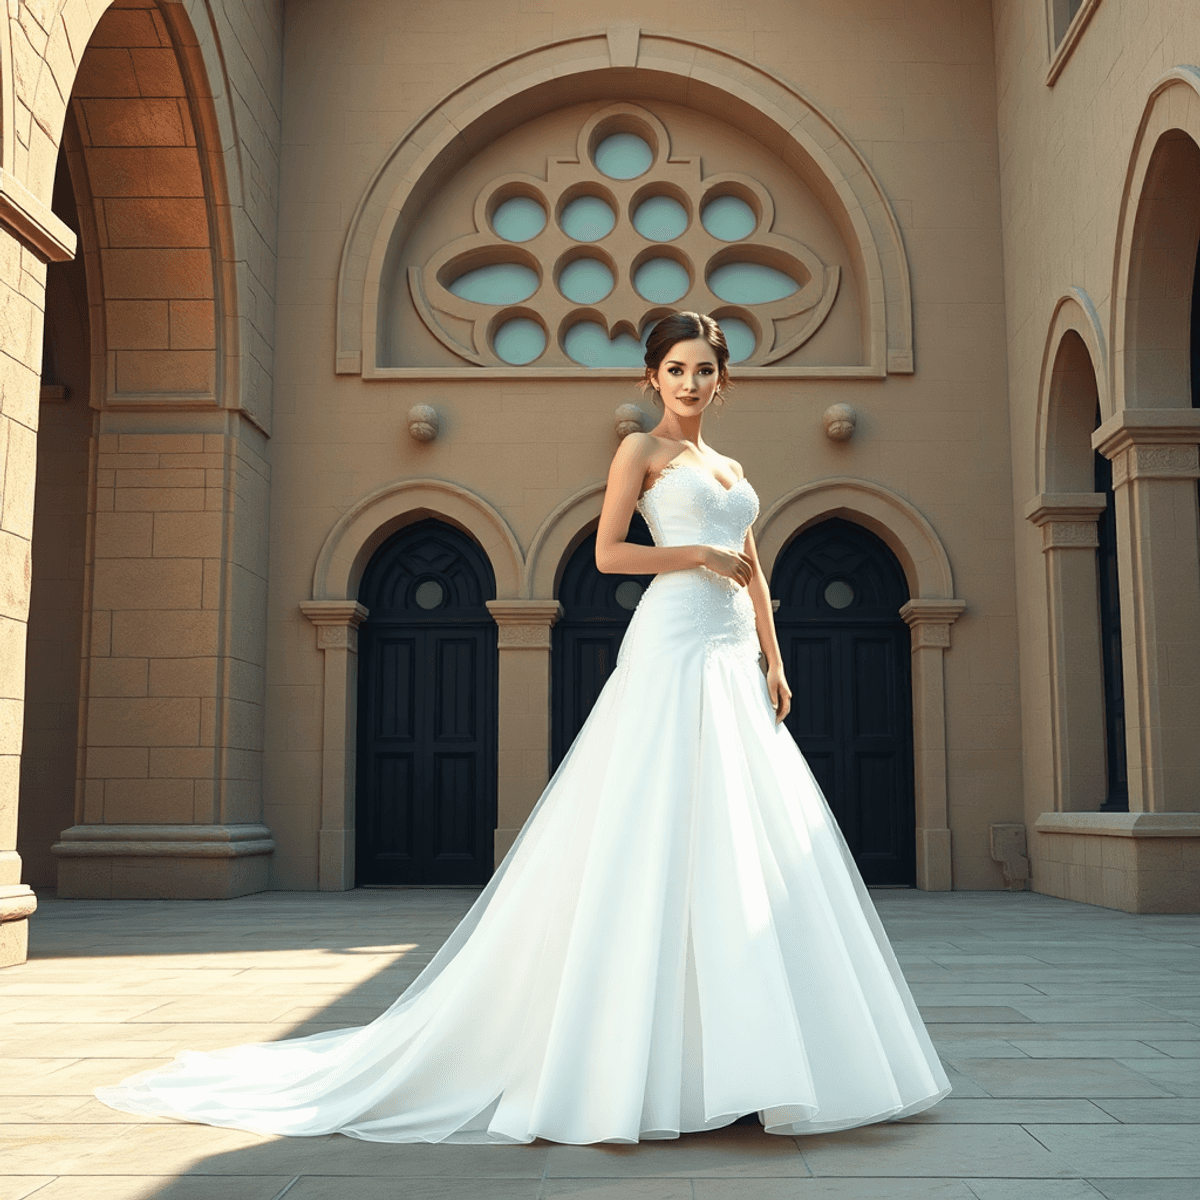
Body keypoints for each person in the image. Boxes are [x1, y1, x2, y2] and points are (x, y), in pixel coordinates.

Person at [96, 312, 950, 1144]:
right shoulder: (640, 451)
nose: (690, 382)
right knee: (659, 814)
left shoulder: (727, 465)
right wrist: (694, 555)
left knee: (743, 830)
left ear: (722, 379)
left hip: (731, 652)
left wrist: (775, 659)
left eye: (703, 369)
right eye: (676, 369)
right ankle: (652, 1060)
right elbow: (610, 554)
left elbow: (755, 569)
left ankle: (756, 1062)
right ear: (652, 377)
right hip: (673, 637)